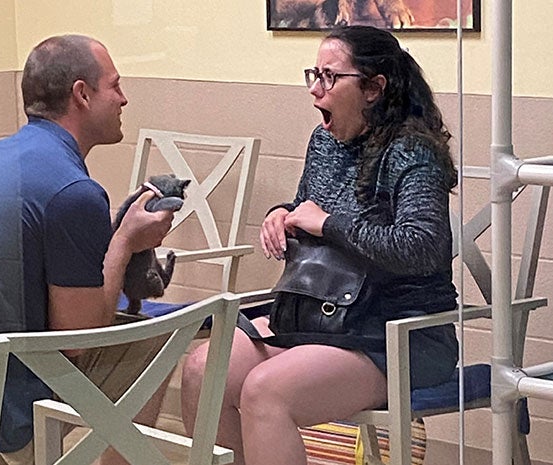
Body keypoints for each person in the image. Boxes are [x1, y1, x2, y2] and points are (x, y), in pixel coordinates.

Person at [180, 25, 459, 465]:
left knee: (266, 392)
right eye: (313, 74)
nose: (315, 90)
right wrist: (282, 215)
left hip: (397, 332)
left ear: (373, 88)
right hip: (321, 315)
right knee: (203, 370)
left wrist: (328, 224)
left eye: (329, 77)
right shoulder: (325, 142)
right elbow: (307, 206)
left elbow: (421, 247)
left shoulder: (413, 151)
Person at [0, 34, 174, 465]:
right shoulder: (73, 191)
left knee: (148, 342)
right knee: (163, 340)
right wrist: (123, 241)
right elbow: (80, 339)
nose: (124, 99)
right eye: (115, 85)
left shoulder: (2, 157)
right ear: (82, 95)